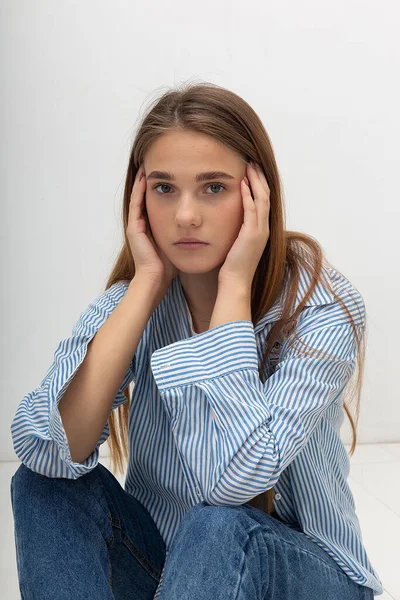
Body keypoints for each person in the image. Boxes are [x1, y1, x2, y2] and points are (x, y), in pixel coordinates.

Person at [10, 82, 383, 599]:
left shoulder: (318, 307)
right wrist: (143, 286)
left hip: (304, 575)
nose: (185, 215)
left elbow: (236, 483)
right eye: (164, 188)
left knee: (215, 525)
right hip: (175, 573)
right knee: (41, 485)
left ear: (257, 195)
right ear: (139, 200)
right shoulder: (136, 299)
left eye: (213, 187)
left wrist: (232, 291)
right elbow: (42, 449)